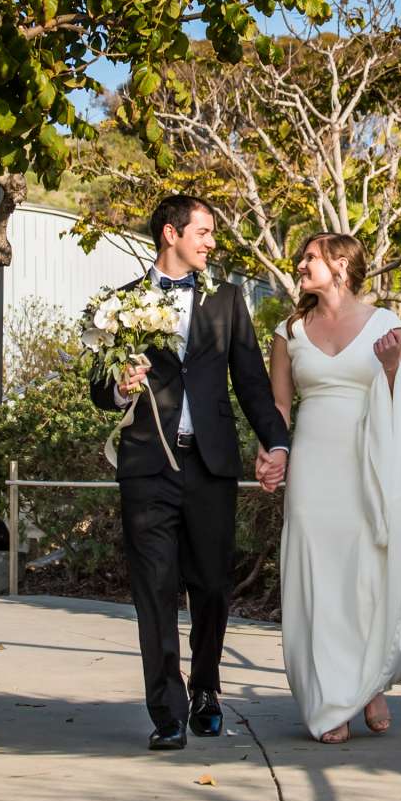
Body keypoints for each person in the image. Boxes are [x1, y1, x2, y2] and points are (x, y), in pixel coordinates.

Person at [88, 194, 292, 751]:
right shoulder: (117, 304)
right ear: (170, 234)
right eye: (202, 232)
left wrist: (277, 442)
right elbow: (98, 387)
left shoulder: (227, 301)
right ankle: (167, 710)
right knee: (153, 588)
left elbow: (250, 380)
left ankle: (206, 689)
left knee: (210, 585)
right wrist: (118, 387)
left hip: (210, 465)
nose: (210, 243)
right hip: (146, 465)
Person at [272, 231, 401, 743]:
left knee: (366, 574)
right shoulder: (288, 330)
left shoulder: (386, 324)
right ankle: (334, 698)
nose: (301, 263)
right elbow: (280, 410)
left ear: (340, 267)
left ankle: (370, 683)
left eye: (311, 257)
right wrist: (272, 453)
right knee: (318, 575)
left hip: (369, 464)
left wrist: (393, 368)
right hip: (313, 464)